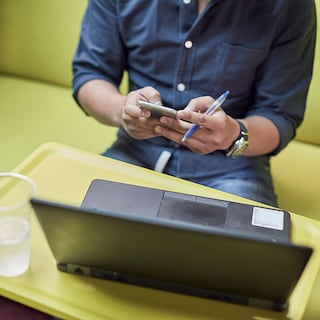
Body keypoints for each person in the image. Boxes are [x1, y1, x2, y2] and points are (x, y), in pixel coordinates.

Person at [72, 0, 316, 207]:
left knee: (239, 260)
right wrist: (121, 110)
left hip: (232, 168)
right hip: (134, 152)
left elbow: (280, 115)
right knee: (80, 239)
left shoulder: (290, 6)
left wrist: (232, 134)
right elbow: (91, 74)